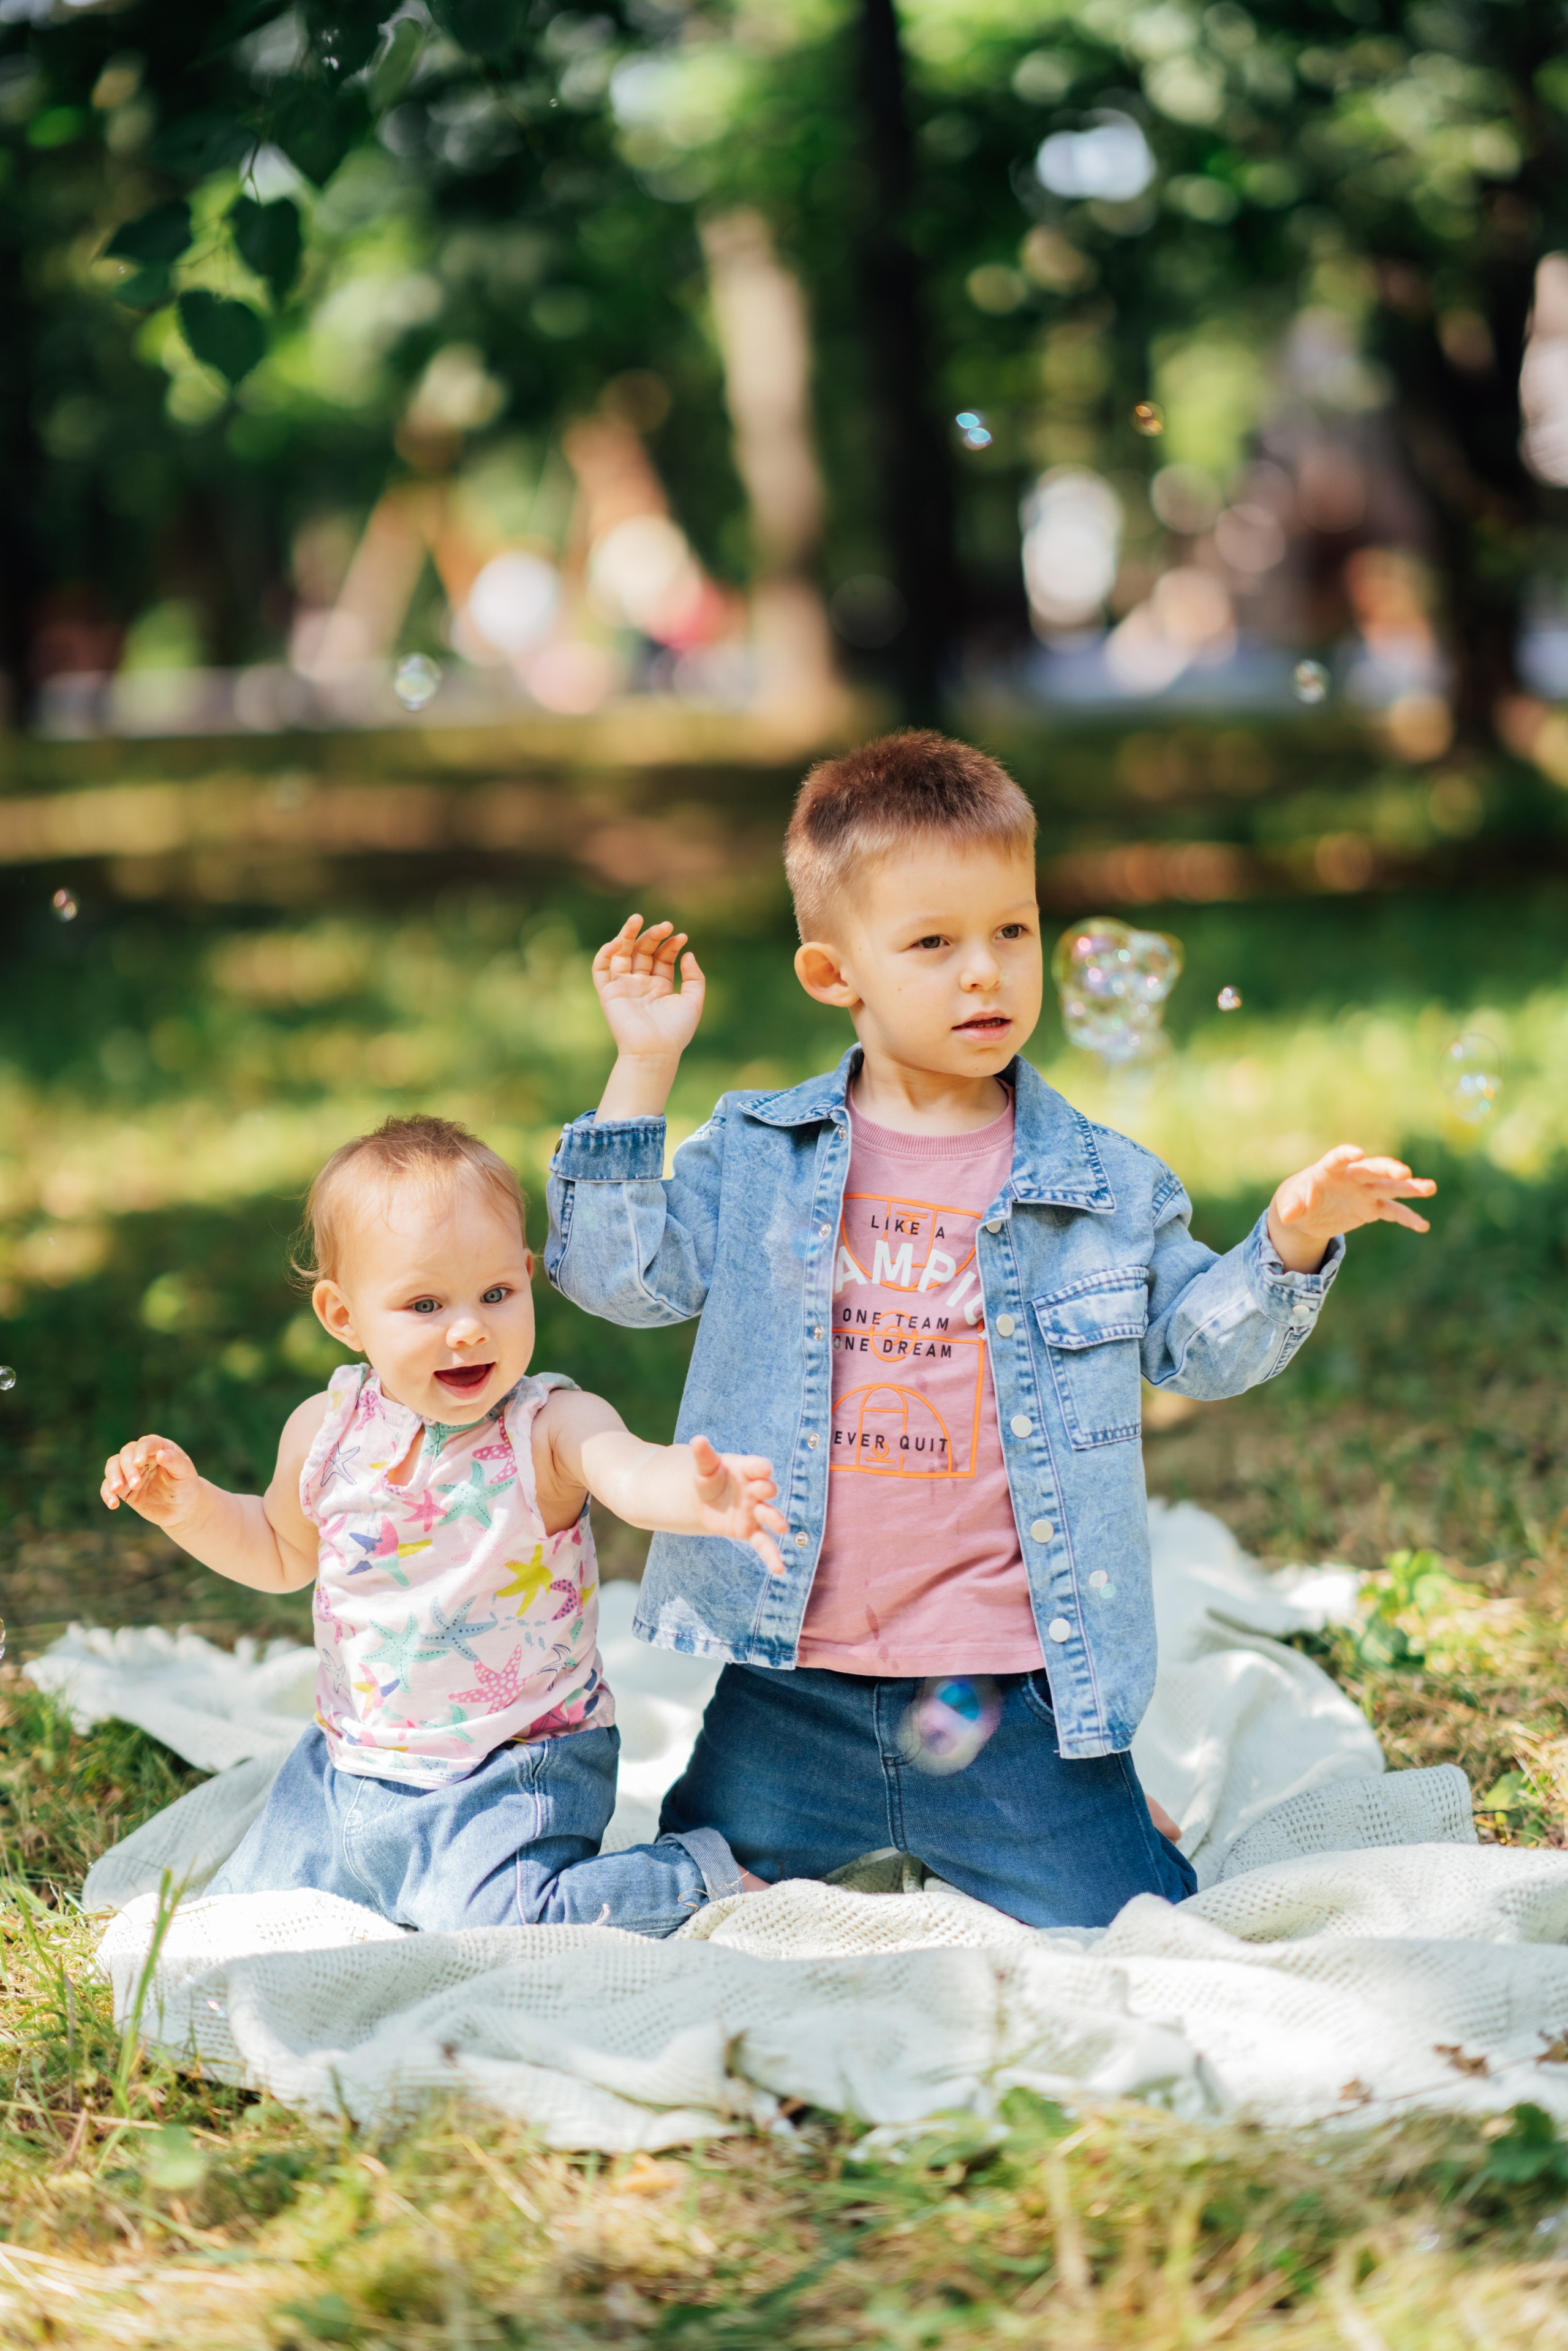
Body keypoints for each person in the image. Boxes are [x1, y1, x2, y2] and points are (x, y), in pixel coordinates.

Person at [545, 729, 1436, 1931]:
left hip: (1004, 1689)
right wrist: (643, 1066)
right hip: (789, 1684)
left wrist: (1284, 1238)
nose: (984, 973)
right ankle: (972, 1809)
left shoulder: (1099, 1184)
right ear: (832, 974)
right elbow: (612, 1272)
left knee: (1136, 1924)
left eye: (1010, 930)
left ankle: (1092, 1800)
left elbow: (1194, 1348)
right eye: (931, 942)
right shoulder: (763, 1154)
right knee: (690, 1912)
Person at [100, 1114, 783, 1935]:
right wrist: (189, 1504)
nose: (469, 1326)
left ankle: (694, 1875)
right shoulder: (325, 1430)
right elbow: (281, 1551)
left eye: (496, 1293)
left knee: (498, 1923)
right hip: (350, 1763)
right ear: (343, 1314)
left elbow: (628, 1469)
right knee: (243, 1916)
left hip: (514, 1765)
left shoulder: (547, 1426)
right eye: (424, 1303)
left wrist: (695, 1492)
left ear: (527, 1277)